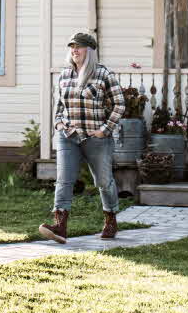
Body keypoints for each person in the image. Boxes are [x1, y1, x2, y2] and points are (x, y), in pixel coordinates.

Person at [41, 31, 125, 243]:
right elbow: (59, 104)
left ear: (90, 50)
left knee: (104, 181)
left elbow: (119, 104)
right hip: (68, 135)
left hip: (96, 138)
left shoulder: (102, 74)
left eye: (79, 46)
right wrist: (59, 122)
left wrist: (105, 129)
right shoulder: (65, 74)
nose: (74, 50)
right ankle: (60, 227)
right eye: (72, 46)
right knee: (64, 180)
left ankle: (110, 220)